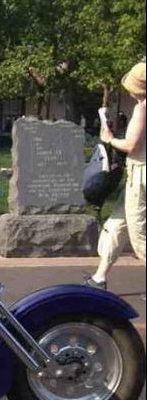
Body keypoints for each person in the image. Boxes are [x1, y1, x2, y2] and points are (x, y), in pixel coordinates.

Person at [85, 62, 146, 290]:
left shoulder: (143, 108)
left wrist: (109, 138)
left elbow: (131, 145)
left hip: (141, 177)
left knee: (139, 236)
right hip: (136, 177)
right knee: (118, 223)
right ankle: (99, 277)